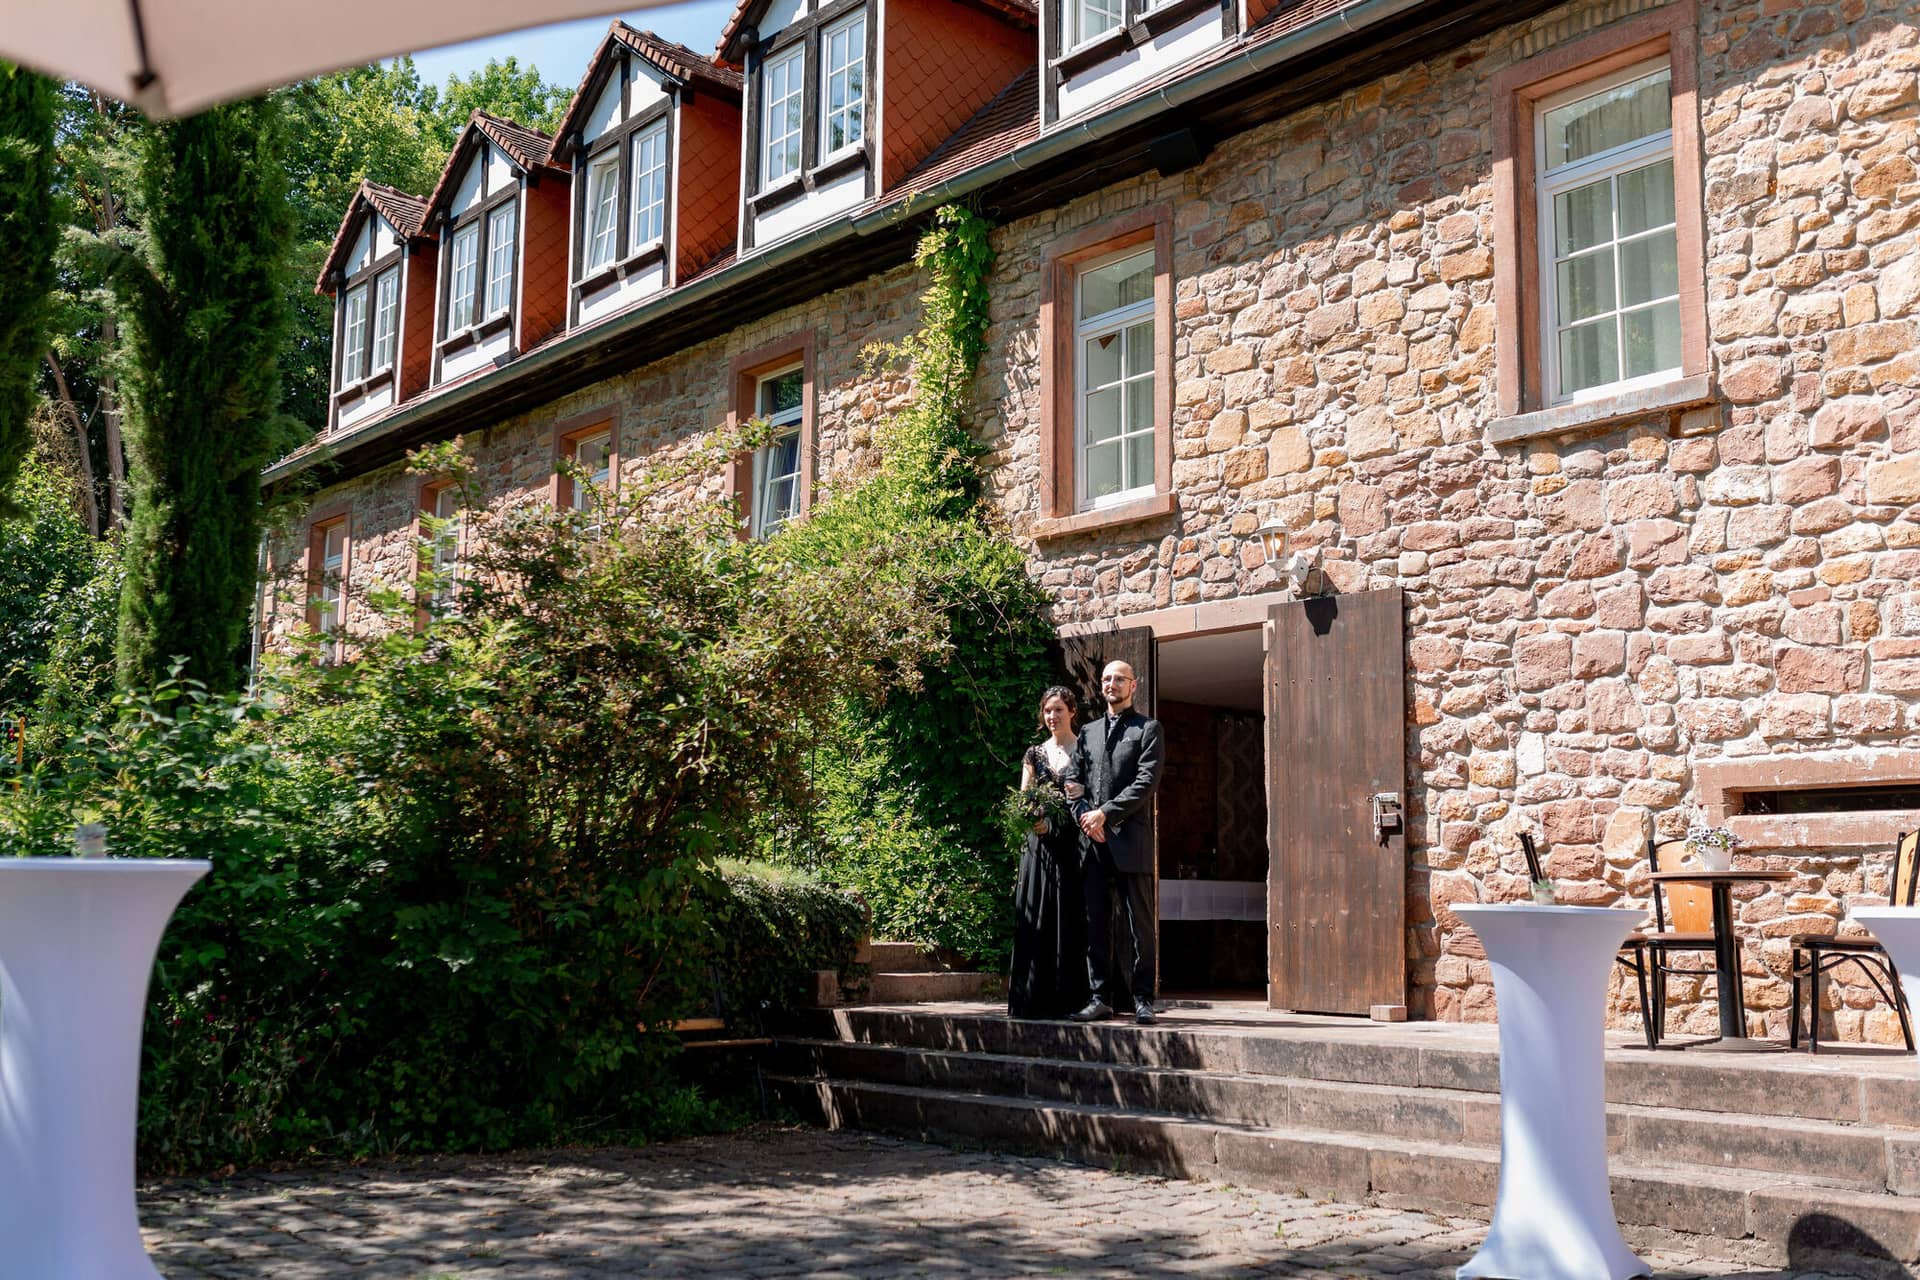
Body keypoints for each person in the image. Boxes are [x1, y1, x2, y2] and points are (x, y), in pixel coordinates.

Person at [1067, 660, 1165, 1025]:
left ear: (1133, 686)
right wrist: (1084, 816)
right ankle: (1099, 998)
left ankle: (1143, 999)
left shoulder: (1148, 730)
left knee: (1140, 927)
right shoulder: (1088, 732)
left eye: (1119, 679)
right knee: (1096, 925)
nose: (1111, 684)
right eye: (1107, 679)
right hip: (1092, 843)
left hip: (1130, 842)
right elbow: (1073, 781)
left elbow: (1145, 783)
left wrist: (1105, 813)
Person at [1007, 687, 1092, 1020]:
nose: (1052, 717)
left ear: (1072, 711)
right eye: (1047, 711)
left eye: (1058, 710)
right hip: (1040, 843)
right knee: (1037, 915)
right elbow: (1024, 797)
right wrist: (1034, 819)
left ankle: (1070, 999)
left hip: (1074, 844)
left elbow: (1094, 791)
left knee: (1071, 917)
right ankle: (1033, 999)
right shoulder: (1033, 753)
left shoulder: (1085, 749)